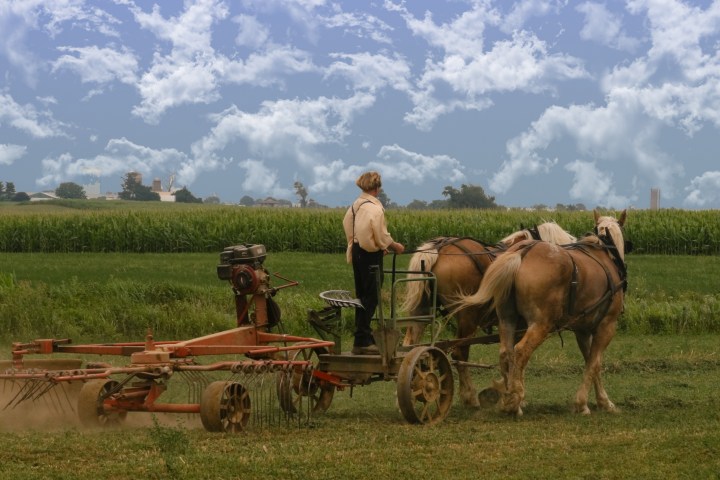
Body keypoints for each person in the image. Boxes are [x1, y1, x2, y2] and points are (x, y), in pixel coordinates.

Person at [342, 171, 404, 355]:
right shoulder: (374, 209)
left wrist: (371, 244)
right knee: (371, 297)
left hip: (357, 251)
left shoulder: (356, 205)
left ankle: (362, 337)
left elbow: (349, 226)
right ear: (377, 188)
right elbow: (381, 234)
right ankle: (362, 340)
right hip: (369, 256)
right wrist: (393, 246)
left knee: (362, 296)